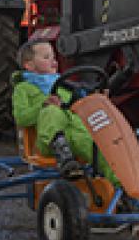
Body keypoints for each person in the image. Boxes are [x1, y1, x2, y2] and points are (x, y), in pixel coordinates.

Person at [11, 39, 118, 184]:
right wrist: (43, 105)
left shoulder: (64, 85)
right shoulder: (23, 89)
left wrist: (97, 98)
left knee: (103, 152)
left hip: (76, 133)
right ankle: (64, 156)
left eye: (54, 57)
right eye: (46, 57)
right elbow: (21, 118)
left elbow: (81, 104)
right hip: (47, 140)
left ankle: (122, 191)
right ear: (29, 65)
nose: (54, 61)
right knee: (51, 111)